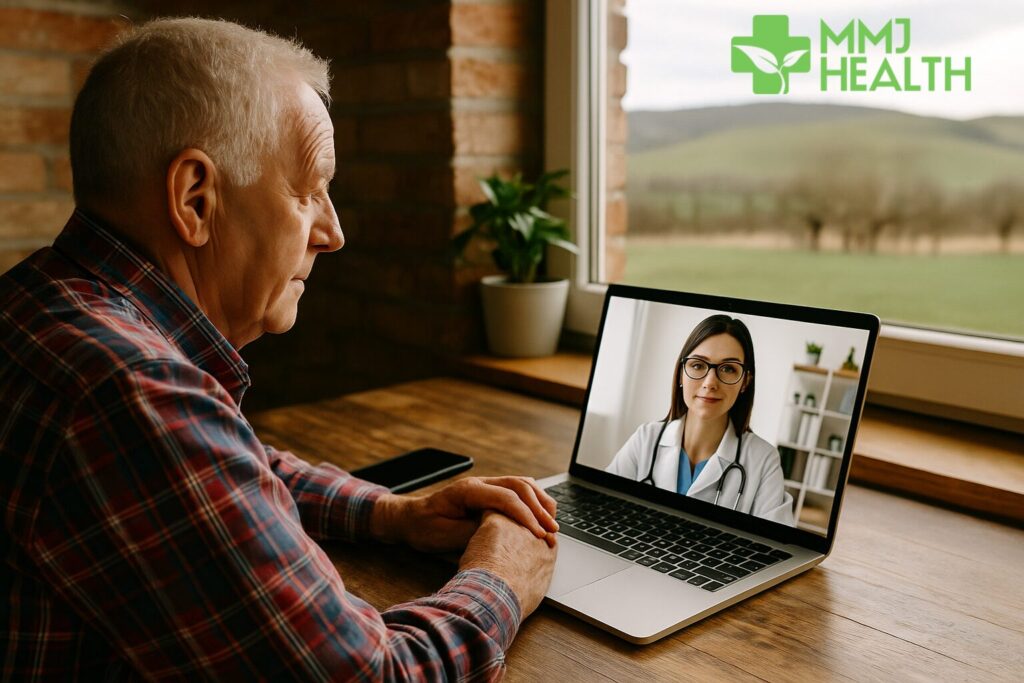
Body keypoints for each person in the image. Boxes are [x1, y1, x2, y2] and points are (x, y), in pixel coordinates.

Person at [0, 18, 558, 680]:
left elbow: (223, 462)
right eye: (310, 189)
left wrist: (391, 512)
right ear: (196, 199)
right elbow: (374, 676)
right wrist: (501, 573)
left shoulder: (43, 304)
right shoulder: (129, 389)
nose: (334, 232)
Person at [606, 315, 795, 525]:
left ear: (744, 383)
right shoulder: (646, 438)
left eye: (728, 369)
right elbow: (602, 509)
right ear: (680, 374)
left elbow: (777, 545)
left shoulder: (763, 460)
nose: (710, 382)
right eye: (698, 365)